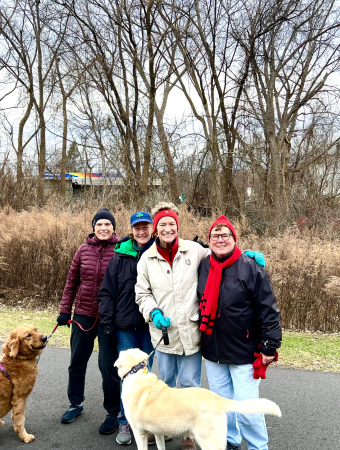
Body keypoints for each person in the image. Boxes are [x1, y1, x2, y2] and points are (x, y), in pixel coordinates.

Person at [197, 216, 282, 450]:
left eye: (226, 235)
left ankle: (257, 446)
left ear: (235, 239)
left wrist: (270, 345)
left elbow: (268, 309)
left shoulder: (251, 268)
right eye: (215, 235)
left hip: (243, 350)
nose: (220, 239)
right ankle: (230, 440)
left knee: (247, 406)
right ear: (209, 240)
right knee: (222, 406)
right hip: (213, 349)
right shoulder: (204, 265)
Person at [135, 202, 210, 450]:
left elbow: (222, 256)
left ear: (177, 226)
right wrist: (152, 312)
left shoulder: (195, 251)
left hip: (190, 331)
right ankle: (165, 427)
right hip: (163, 333)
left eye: (172, 224)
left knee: (190, 385)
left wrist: (247, 256)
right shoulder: (147, 258)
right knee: (164, 385)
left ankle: (189, 433)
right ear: (155, 229)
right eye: (162, 225)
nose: (168, 228)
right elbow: (142, 294)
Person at [98, 211, 162, 446]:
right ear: (131, 230)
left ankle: (147, 423)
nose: (142, 232)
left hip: (149, 327)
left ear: (152, 229)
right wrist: (107, 322)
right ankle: (125, 421)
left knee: (146, 377)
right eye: (137, 228)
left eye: (146, 227)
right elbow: (106, 293)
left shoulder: (160, 252)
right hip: (124, 327)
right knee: (128, 377)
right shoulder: (119, 256)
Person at [57, 208, 121, 435]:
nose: (103, 228)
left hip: (108, 317)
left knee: (108, 365)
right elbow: (71, 282)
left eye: (108, 224)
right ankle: (75, 403)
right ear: (93, 227)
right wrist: (65, 311)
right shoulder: (83, 250)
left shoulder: (121, 250)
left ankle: (113, 412)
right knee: (77, 361)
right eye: (99, 224)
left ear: (114, 227)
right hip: (82, 314)